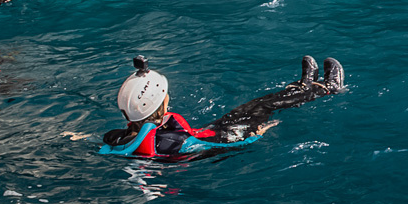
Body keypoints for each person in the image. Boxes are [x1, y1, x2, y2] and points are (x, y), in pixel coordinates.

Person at [99, 54, 345, 159]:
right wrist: (252, 136)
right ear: (159, 102)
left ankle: (300, 88)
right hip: (220, 138)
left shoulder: (118, 138)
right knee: (261, 109)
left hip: (207, 131)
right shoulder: (171, 141)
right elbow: (212, 145)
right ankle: (326, 89)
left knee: (255, 104)